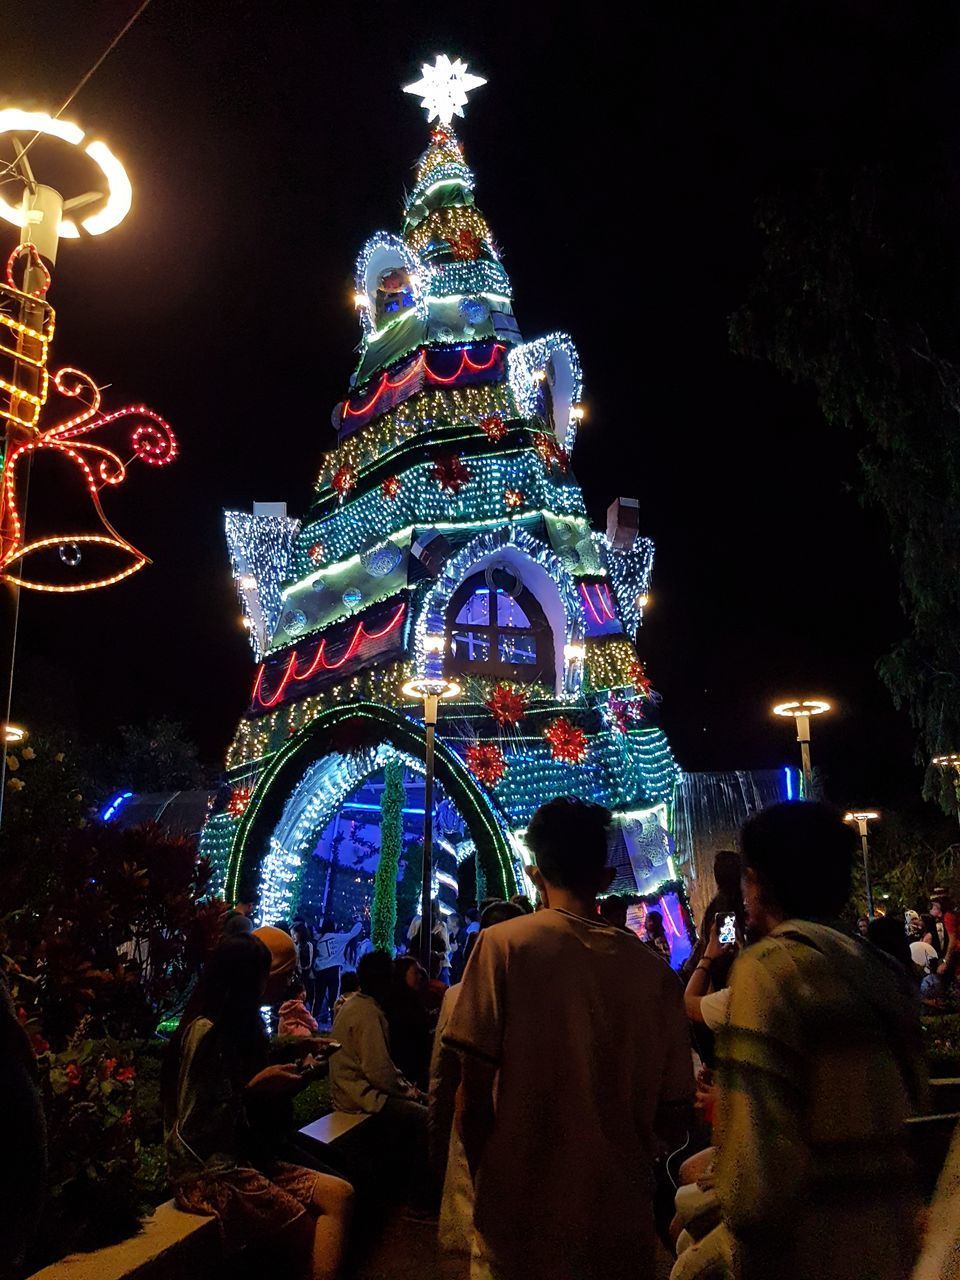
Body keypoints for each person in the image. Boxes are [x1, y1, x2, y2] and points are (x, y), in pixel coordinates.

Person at [444, 797, 695, 1279]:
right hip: (617, 1219)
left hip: (517, 1215)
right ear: (604, 878)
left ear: (536, 872)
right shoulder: (655, 975)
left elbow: (471, 1099)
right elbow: (674, 1116)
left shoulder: (503, 947)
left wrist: (487, 1179)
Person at [714, 802, 926, 1280]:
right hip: (892, 1241)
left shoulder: (770, 970)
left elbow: (755, 1166)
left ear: (757, 882)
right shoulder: (882, 970)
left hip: (816, 1248)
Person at [162, 935, 352, 1278]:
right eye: (265, 974)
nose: (272, 984)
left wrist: (287, 1066)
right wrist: (254, 1090)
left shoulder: (236, 1026)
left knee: (341, 1192)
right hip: (210, 1174)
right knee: (305, 1226)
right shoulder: (204, 1032)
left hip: (242, 1159)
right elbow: (195, 1124)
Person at [429, 900, 524, 1279]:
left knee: (472, 1237)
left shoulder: (457, 995)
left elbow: (440, 1076)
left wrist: (436, 1139)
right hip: (523, 1122)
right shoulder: (544, 989)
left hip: (470, 1124)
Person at [386, 955, 433, 1090]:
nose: (420, 977)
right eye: (415, 973)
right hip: (408, 1075)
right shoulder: (402, 1005)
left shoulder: (415, 1001)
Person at [313, 918, 362, 1023]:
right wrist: (359, 922)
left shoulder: (319, 940)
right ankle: (334, 1022)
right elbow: (352, 934)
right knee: (333, 999)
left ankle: (313, 1021)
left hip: (320, 971)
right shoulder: (338, 938)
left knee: (318, 998)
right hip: (333, 970)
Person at [292, 921, 316, 1013]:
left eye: (295, 934)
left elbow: (307, 964)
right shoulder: (298, 946)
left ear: (300, 933)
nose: (293, 936)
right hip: (301, 978)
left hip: (306, 978)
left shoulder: (308, 946)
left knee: (306, 1000)